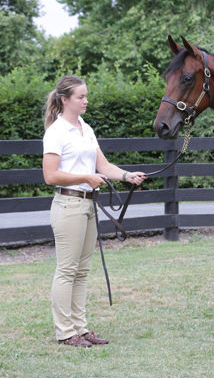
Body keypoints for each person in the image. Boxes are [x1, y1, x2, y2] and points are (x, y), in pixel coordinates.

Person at [42, 75, 147, 347]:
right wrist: (86, 178)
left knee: (82, 270)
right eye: (80, 97)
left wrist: (126, 175)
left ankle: (80, 327)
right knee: (67, 270)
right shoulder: (56, 132)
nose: (86, 100)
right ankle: (65, 332)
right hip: (68, 205)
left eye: (86, 96)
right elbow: (50, 176)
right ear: (65, 100)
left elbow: (103, 164)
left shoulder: (85, 128)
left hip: (88, 205)